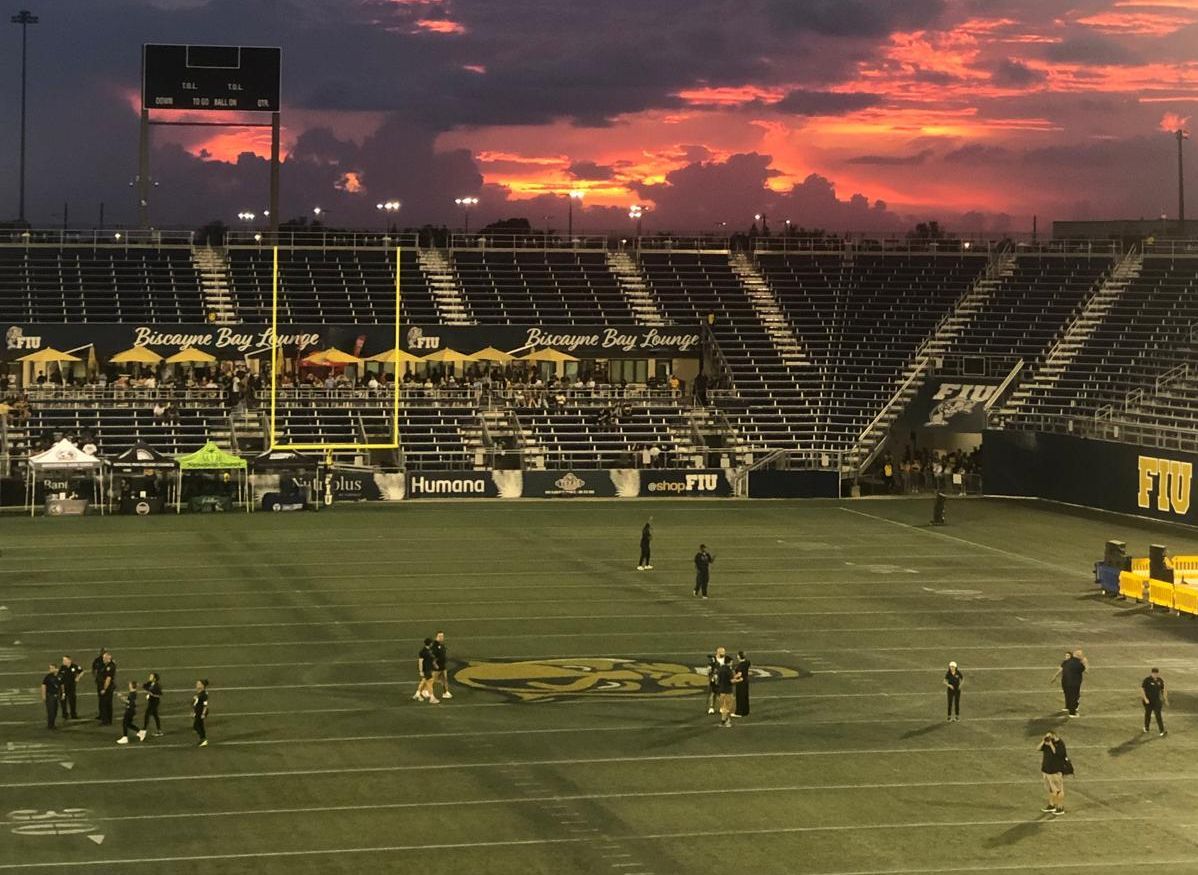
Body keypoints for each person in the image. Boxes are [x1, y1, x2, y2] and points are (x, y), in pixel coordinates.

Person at [1038, 731, 1069, 815]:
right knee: (1050, 789)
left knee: (1059, 789)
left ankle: (1060, 807)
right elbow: (1038, 748)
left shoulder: (1060, 744)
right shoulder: (1047, 743)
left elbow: (1058, 754)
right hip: (1046, 770)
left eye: (1050, 736)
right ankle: (1051, 805)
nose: (1049, 738)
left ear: (1054, 736)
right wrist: (1043, 741)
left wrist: (1051, 744)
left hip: (1055, 770)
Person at [1050, 649, 1087, 717]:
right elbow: (1086, 671)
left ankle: (1068, 707)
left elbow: (1061, 670)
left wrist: (1054, 676)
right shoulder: (1079, 663)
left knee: (1068, 694)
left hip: (1065, 681)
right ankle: (1072, 712)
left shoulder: (1067, 662)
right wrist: (1085, 663)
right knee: (1074, 696)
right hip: (1074, 683)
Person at [1141, 667, 1168, 737]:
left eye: (1156, 673)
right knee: (1148, 714)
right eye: (1154, 673)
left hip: (1157, 701)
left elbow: (1163, 689)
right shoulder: (1147, 680)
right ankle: (1146, 728)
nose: (1155, 675)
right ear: (1152, 673)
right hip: (1148, 701)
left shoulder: (1160, 680)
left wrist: (1165, 699)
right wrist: (1145, 698)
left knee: (1158, 715)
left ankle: (1161, 731)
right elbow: (1142, 689)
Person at [58, 655, 82, 721]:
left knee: (72, 701)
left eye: (65, 660)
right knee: (63, 702)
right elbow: (59, 678)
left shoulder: (74, 666)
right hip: (64, 687)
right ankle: (65, 714)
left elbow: (81, 671)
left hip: (71, 687)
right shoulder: (62, 668)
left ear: (69, 660)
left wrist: (78, 677)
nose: (63, 662)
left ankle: (73, 714)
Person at [415, 638, 439, 704]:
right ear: (430, 643)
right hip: (426, 670)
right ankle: (432, 698)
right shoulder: (423, 652)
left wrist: (434, 664)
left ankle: (418, 693)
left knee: (425, 681)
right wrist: (421, 671)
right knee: (430, 683)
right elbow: (420, 662)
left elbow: (431, 659)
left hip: (429, 669)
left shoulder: (429, 650)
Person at [716, 651, 736, 727]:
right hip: (728, 691)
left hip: (721, 691)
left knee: (724, 707)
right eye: (731, 662)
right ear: (729, 662)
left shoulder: (720, 669)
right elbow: (731, 680)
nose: (732, 663)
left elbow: (718, 679)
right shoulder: (729, 670)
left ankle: (724, 721)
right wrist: (738, 680)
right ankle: (726, 721)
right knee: (728, 707)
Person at [97, 651, 116, 726]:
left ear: (109, 658)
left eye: (105, 658)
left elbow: (108, 679)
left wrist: (104, 689)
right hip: (103, 687)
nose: (103, 659)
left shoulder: (110, 666)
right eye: (103, 658)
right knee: (104, 704)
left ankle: (106, 721)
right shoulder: (105, 665)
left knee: (105, 704)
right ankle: (106, 719)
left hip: (107, 689)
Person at [431, 631, 452, 700]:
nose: (441, 637)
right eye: (439, 636)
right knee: (433, 680)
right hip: (437, 666)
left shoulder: (442, 645)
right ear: (436, 637)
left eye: (442, 636)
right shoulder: (434, 646)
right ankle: (426, 691)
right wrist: (434, 664)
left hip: (443, 665)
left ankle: (446, 692)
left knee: (445, 679)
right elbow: (432, 656)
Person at [41, 663, 62, 730]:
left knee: (55, 710)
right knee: (51, 711)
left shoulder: (60, 676)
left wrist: (62, 693)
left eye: (52, 668)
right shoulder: (48, 677)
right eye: (50, 668)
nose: (50, 670)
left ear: (56, 669)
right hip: (50, 696)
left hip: (56, 696)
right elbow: (43, 686)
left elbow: (62, 685)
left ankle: (52, 724)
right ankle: (50, 725)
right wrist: (43, 695)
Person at [142, 672, 163, 738]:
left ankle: (144, 730)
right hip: (151, 701)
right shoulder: (150, 683)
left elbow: (159, 694)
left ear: (154, 679)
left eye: (151, 676)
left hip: (155, 702)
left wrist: (152, 694)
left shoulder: (157, 686)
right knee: (155, 715)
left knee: (147, 714)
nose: (149, 677)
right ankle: (159, 731)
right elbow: (144, 686)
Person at [705, 647, 726, 715]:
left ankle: (722, 707)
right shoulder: (713, 659)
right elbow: (708, 669)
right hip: (714, 679)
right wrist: (711, 675)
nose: (724, 654)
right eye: (723, 652)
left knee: (722, 694)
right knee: (713, 693)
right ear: (718, 652)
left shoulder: (726, 659)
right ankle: (711, 707)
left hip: (722, 678)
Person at [733, 651, 751, 718]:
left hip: (741, 682)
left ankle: (739, 712)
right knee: (745, 696)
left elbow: (739, 674)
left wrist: (733, 677)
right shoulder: (747, 662)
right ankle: (746, 711)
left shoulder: (741, 665)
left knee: (740, 697)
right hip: (746, 681)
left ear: (739, 656)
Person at [193, 679, 209, 747]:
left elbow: (205, 705)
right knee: (198, 726)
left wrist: (203, 714)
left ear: (203, 686)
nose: (197, 685)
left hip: (200, 712)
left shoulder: (204, 694)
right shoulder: (200, 692)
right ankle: (202, 739)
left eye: (199, 684)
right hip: (197, 711)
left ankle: (203, 739)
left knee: (197, 726)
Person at [90, 647, 106, 718]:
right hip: (100, 682)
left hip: (106, 682)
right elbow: (93, 669)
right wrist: (96, 677)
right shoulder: (97, 660)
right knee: (101, 699)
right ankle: (101, 714)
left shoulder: (108, 661)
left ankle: (105, 715)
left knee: (105, 699)